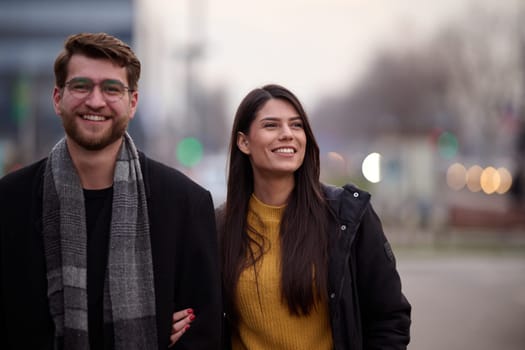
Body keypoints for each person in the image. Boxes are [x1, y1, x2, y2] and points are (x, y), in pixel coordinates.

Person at [0, 32, 222, 349]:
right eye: (81, 86)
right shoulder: (9, 202)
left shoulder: (186, 205)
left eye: (111, 89)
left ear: (132, 103)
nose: (95, 100)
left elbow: (205, 333)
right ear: (57, 98)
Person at [217, 84, 411, 349]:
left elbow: (389, 318)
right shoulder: (220, 227)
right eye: (271, 125)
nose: (287, 134)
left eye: (296, 126)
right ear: (244, 142)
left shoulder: (347, 216)